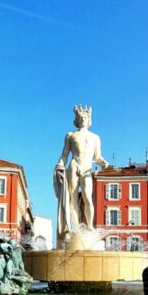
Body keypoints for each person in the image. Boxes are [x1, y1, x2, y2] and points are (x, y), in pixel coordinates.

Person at [54, 104, 111, 244]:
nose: (83, 119)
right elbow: (65, 155)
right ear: (77, 120)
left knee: (87, 198)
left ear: (89, 119)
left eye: (85, 117)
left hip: (87, 168)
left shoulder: (96, 137)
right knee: (72, 198)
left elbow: (97, 157)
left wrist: (104, 163)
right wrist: (60, 165)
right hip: (73, 165)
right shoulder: (70, 135)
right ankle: (75, 228)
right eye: (80, 117)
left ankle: (90, 226)